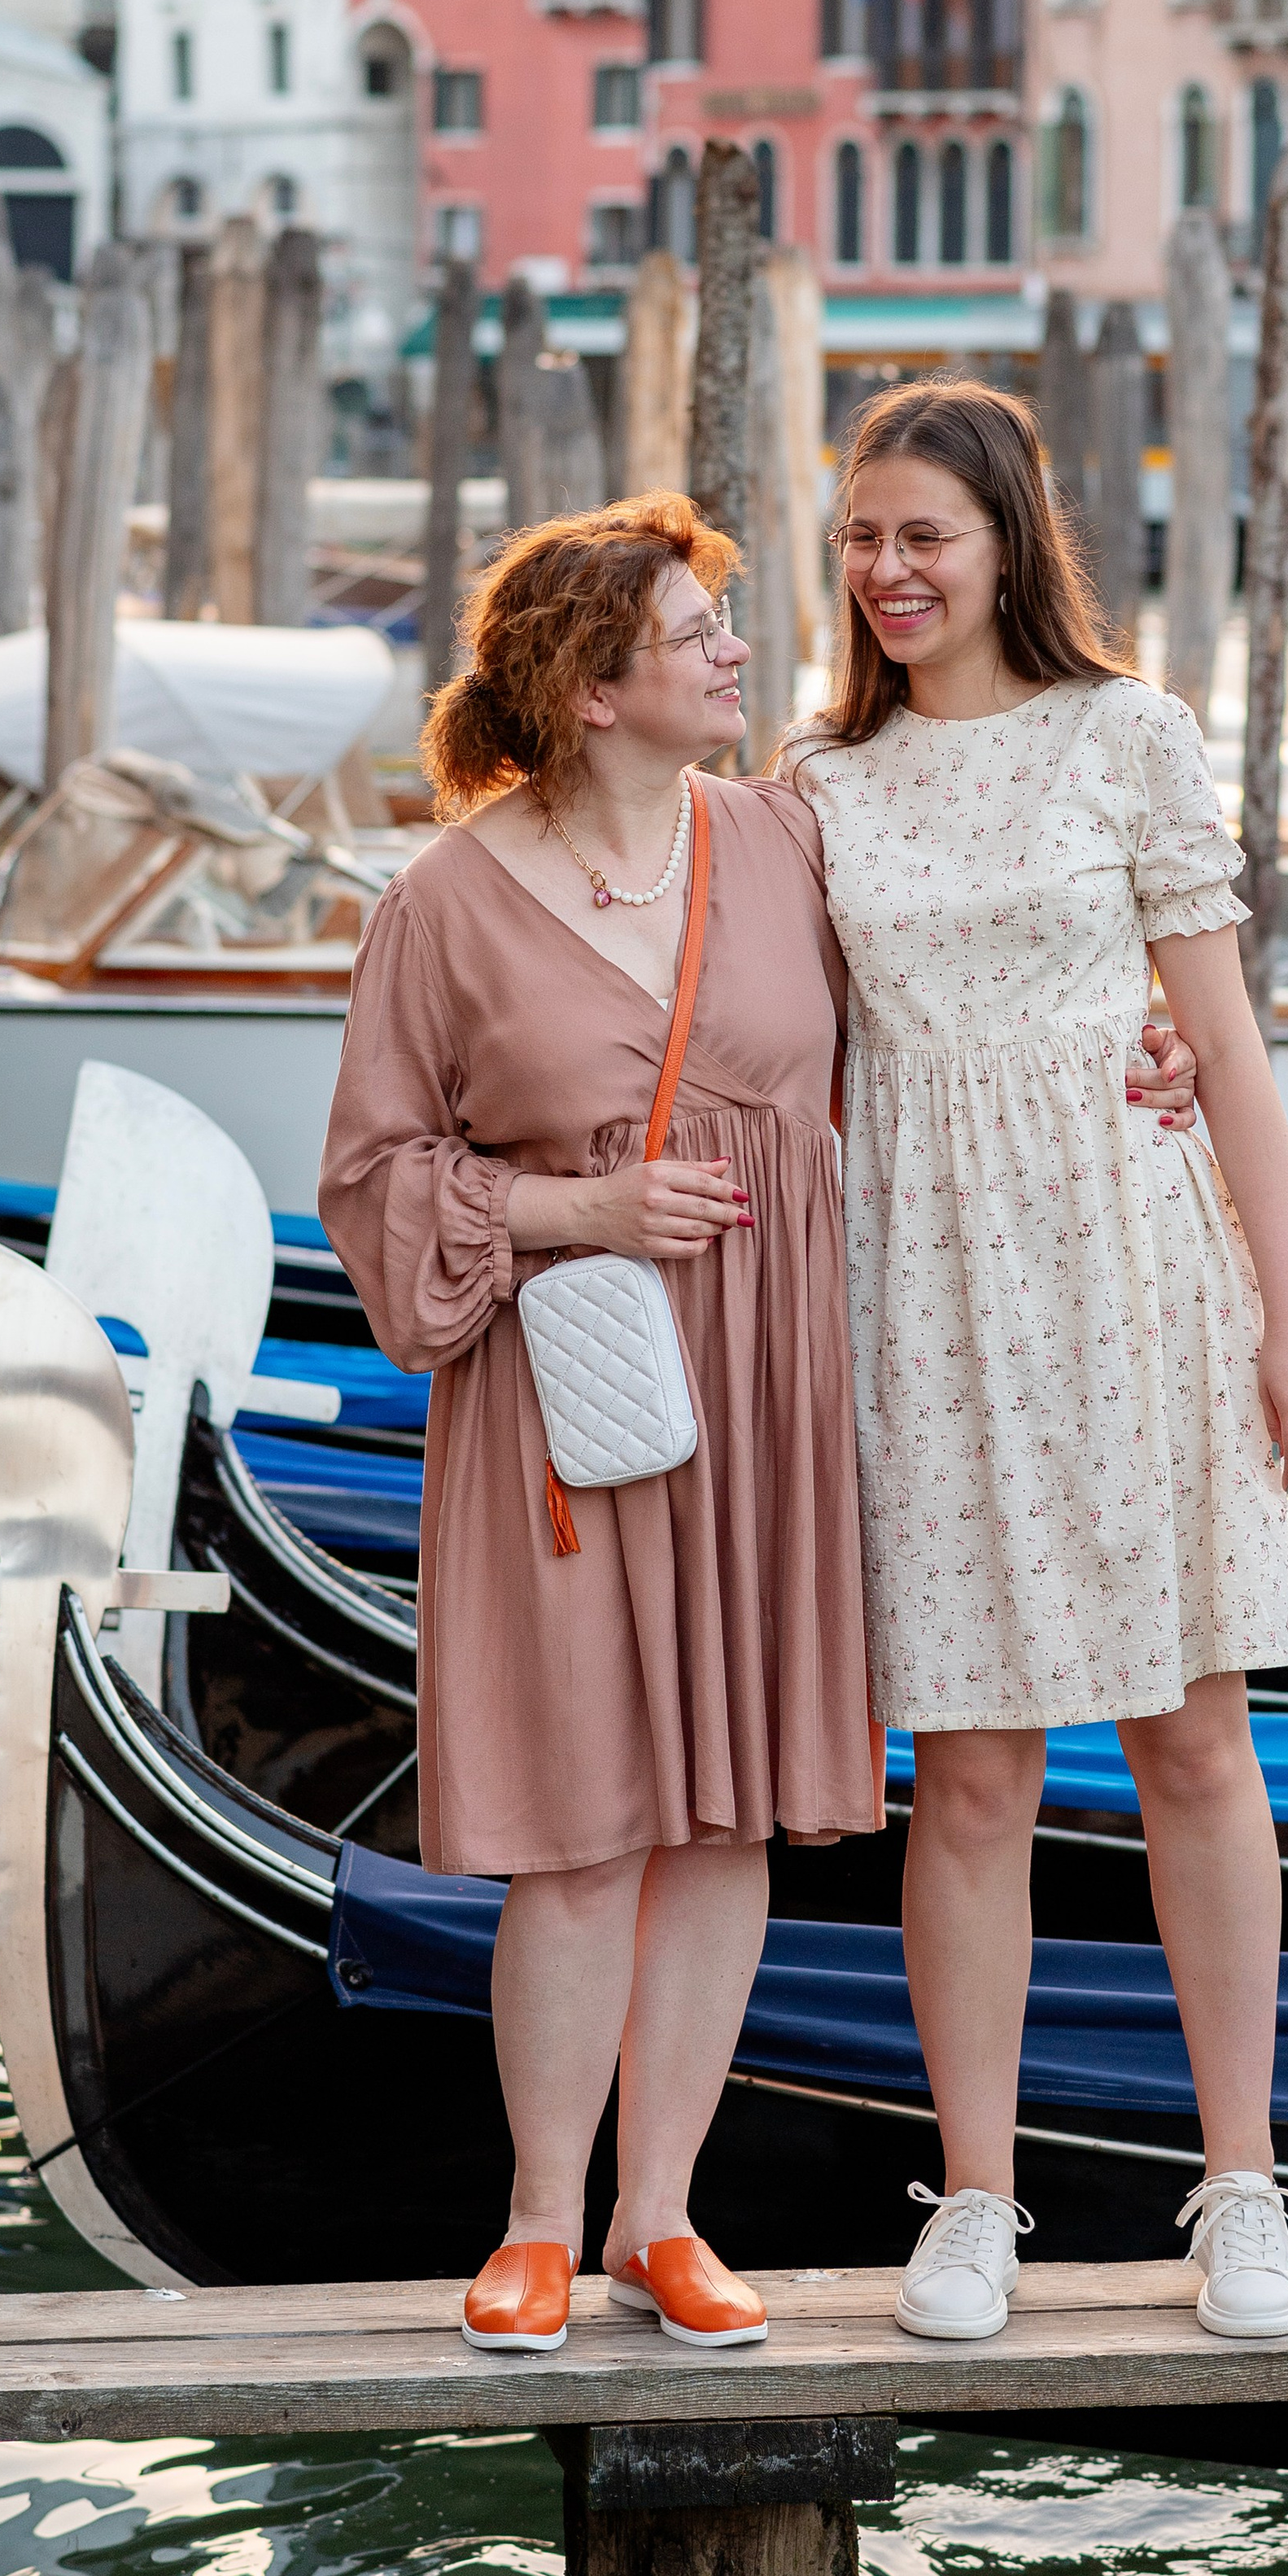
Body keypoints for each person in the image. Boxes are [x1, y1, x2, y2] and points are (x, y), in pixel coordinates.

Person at [788, 380, 1288, 2346]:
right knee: (964, 1771)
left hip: (1131, 1271)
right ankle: (972, 2194)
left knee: (1191, 1735)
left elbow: (1223, 1048)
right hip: (923, 1293)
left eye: (920, 534)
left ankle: (1236, 2185)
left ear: (1004, 543)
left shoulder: (1131, 734)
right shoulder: (815, 789)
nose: (885, 570)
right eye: (859, 535)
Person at [317, 495, 884, 2357]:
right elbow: (373, 1177)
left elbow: (930, 1040)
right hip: (564, 1394)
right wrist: (570, 1209)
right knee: (578, 1825)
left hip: (770, 1382)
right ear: (591, 684)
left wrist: (1153, 1052)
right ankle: (537, 2221)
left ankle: (663, 2218)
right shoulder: (442, 902)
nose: (736, 649)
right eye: (695, 627)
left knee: (721, 1820)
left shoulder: (786, 837)